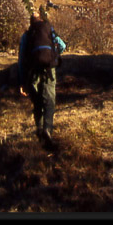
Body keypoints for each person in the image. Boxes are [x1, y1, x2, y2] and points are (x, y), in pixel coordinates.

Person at [18, 11, 67, 148]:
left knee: (37, 102)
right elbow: (62, 46)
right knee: (49, 101)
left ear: (31, 22)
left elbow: (21, 61)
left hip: (33, 71)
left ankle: (39, 132)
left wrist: (22, 82)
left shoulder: (27, 36)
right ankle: (47, 129)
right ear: (41, 19)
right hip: (49, 70)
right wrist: (54, 55)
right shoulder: (49, 30)